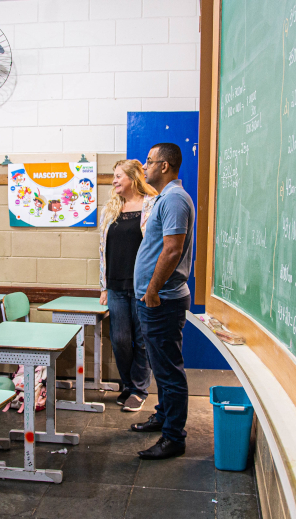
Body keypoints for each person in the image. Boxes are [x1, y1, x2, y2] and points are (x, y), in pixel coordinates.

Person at [130, 143, 196, 460]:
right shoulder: (164, 198)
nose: (145, 166)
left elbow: (171, 250)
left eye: (150, 160)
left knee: (169, 371)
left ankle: (173, 437)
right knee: (161, 366)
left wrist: (153, 289)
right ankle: (163, 416)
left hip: (162, 300)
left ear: (165, 166)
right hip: (155, 299)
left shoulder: (174, 199)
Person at [99, 160, 158, 412]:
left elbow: (158, 246)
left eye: (118, 176)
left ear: (133, 178)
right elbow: (102, 250)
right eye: (114, 176)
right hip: (115, 285)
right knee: (120, 339)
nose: (114, 181)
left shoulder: (151, 206)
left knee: (142, 339)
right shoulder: (110, 209)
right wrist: (103, 286)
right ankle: (127, 384)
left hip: (142, 286)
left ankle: (139, 390)